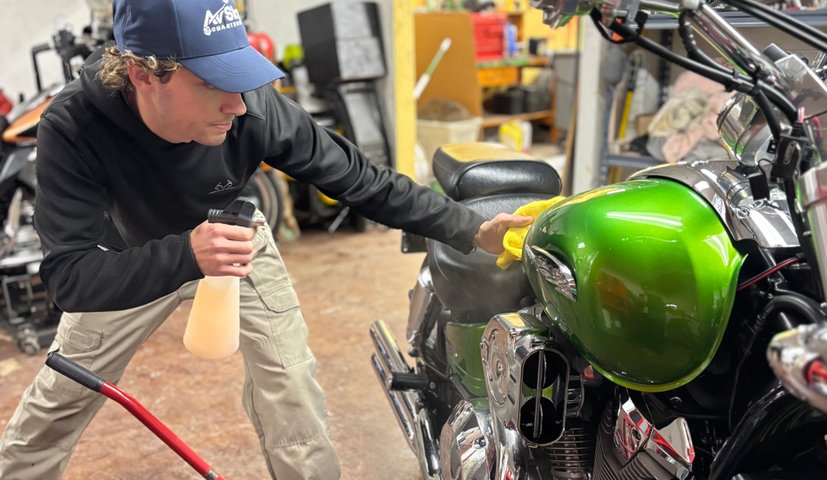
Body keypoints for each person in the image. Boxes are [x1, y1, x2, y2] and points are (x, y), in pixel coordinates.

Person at [0, 1, 532, 478]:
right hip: (124, 259)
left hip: (233, 239)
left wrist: (468, 228)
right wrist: (185, 254)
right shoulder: (73, 125)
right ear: (143, 74)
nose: (236, 104)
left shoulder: (252, 104)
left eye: (238, 76)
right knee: (57, 404)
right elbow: (69, 277)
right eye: (212, 82)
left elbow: (358, 179)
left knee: (291, 387)